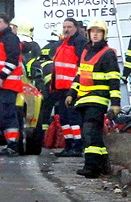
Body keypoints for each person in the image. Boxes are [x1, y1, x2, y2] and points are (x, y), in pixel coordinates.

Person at [66, 20, 121, 178]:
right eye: (92, 31)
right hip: (83, 99)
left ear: (104, 34)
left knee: (89, 131)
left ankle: (91, 167)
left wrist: (115, 104)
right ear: (88, 34)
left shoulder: (108, 53)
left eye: (99, 31)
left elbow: (114, 79)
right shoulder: (85, 52)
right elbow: (79, 76)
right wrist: (71, 93)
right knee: (92, 134)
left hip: (98, 100)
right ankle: (103, 165)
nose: (95, 34)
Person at [0, 12, 23, 157]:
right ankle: (11, 144)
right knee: (4, 114)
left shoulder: (10, 38)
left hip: (8, 84)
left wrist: (1, 77)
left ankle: (13, 145)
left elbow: (12, 60)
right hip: (2, 84)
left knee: (8, 114)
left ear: (7, 24)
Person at [51, 18, 87, 157]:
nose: (66, 29)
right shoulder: (62, 43)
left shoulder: (79, 42)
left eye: (69, 27)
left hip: (73, 87)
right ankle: (68, 144)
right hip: (61, 87)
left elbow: (81, 65)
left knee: (73, 118)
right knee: (64, 118)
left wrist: (76, 86)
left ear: (76, 28)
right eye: (64, 27)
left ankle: (77, 146)